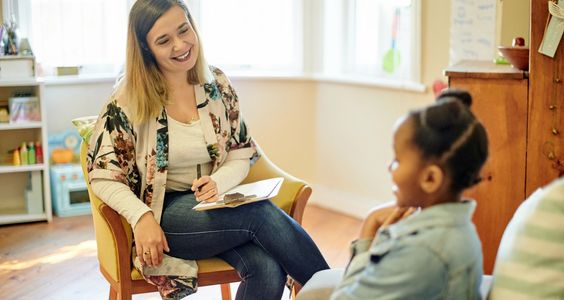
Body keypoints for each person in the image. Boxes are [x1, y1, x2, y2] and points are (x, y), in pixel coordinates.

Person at [86, 1, 329, 299]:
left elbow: (240, 152)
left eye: (183, 30)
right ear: (146, 48)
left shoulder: (217, 84)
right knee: (260, 215)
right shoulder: (127, 100)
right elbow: (102, 176)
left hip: (215, 208)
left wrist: (218, 182)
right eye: (164, 40)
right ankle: (342, 293)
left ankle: (333, 289)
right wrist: (141, 217)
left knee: (267, 267)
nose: (180, 45)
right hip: (166, 215)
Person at [299, 89, 489, 299]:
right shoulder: (455, 231)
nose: (390, 167)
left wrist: (369, 236)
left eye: (397, 160)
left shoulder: (423, 251)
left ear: (430, 179)